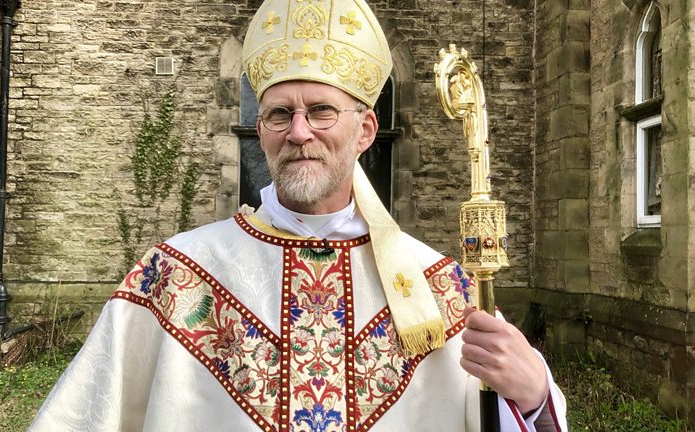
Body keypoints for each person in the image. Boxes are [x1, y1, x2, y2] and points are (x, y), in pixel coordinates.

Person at [30, 1, 567, 431]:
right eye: (279, 113)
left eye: (321, 111)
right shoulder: (173, 276)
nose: (299, 131)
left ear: (365, 131)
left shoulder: (440, 290)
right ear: (260, 129)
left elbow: (498, 407)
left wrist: (538, 394)